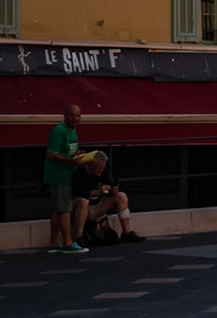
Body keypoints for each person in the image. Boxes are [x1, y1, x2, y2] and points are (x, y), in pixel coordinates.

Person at [43, 105, 91, 254]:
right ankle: (68, 242)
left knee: (58, 210)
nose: (75, 119)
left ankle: (53, 242)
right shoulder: (59, 131)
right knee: (64, 209)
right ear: (64, 116)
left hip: (67, 174)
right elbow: (52, 154)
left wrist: (77, 154)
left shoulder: (73, 131)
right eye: (71, 115)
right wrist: (72, 161)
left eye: (78, 116)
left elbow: (68, 150)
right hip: (59, 176)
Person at [72, 151, 145, 243]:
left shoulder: (102, 172)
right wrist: (98, 192)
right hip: (82, 207)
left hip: (96, 206)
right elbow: (80, 192)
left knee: (121, 196)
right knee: (83, 201)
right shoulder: (80, 173)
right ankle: (79, 236)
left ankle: (126, 232)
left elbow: (108, 185)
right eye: (98, 168)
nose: (100, 170)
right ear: (91, 165)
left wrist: (113, 189)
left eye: (102, 168)